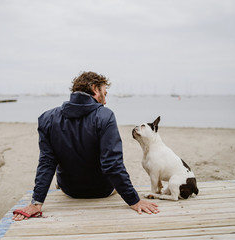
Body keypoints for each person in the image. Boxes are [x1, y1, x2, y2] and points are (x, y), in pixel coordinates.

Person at [12, 71, 159, 221]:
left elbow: (47, 162)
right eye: (105, 93)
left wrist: (36, 203)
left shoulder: (47, 118)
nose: (105, 101)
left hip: (70, 190)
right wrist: (134, 200)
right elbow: (112, 165)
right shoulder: (105, 116)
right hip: (103, 190)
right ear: (95, 89)